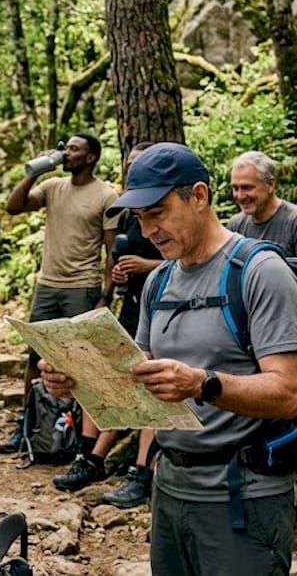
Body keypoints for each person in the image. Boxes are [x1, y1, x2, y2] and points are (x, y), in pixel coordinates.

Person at [41, 142, 297, 575]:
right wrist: (76, 378)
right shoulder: (160, 281)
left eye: (159, 212)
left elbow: (287, 393)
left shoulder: (260, 273)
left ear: (199, 196)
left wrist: (203, 384)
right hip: (171, 489)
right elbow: (137, 377)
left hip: (243, 493)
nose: (149, 230)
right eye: (141, 218)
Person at [0, 133, 119, 466]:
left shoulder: (107, 195)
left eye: (73, 149)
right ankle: (27, 424)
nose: (66, 153)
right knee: (33, 358)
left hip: (82, 286)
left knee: (76, 362)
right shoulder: (53, 188)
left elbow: (112, 251)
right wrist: (34, 171)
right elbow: (13, 207)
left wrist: (105, 296)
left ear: (90, 157)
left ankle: (76, 432)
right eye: (65, 148)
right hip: (47, 284)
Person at [99, 142, 165, 508]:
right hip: (133, 303)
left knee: (151, 384)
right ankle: (93, 455)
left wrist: (145, 266)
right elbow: (120, 256)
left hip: (159, 306)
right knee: (124, 376)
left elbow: (183, 263)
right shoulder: (127, 214)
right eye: (128, 165)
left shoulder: (169, 215)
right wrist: (115, 279)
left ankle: (143, 472)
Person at [226, 150, 297, 270]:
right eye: (235, 188)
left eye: (247, 188)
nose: (240, 196)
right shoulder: (236, 226)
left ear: (270, 184)